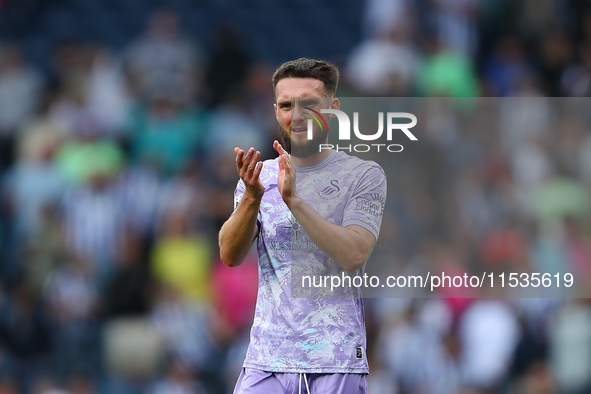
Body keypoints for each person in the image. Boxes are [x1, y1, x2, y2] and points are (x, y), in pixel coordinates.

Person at [218, 58, 387, 394]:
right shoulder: (259, 177)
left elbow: (354, 253)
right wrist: (252, 197)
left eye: (309, 103)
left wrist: (295, 202)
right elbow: (229, 255)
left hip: (334, 359)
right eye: (285, 105)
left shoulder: (363, 176)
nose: (296, 116)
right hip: (267, 358)